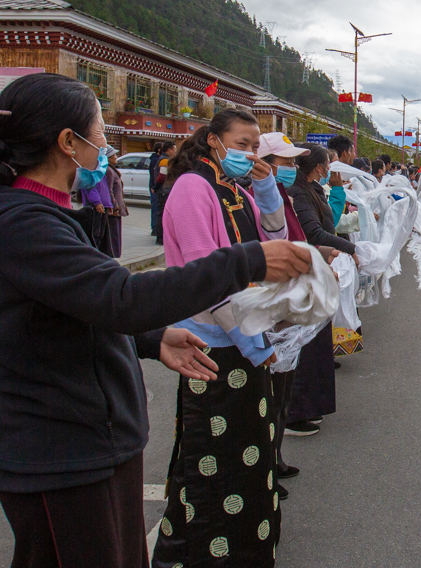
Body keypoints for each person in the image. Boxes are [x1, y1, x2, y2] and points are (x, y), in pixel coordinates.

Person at [0, 73, 312, 568]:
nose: (104, 145)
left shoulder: (55, 216)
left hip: (96, 441)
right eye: (100, 132)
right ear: (67, 142)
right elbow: (124, 295)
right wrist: (248, 262)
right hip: (61, 451)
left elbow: (84, 305)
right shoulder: (23, 223)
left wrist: (151, 338)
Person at [153, 108, 299, 567]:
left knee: (248, 454)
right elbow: (206, 277)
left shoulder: (235, 190)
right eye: (241, 144)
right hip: (213, 345)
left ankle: (238, 550)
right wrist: (257, 345)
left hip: (244, 337)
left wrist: (265, 185)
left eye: (255, 146)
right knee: (212, 460)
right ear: (213, 141)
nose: (249, 153)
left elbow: (274, 233)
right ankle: (208, 554)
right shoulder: (192, 188)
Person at [285, 145, 357, 436]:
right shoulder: (298, 192)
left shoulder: (310, 189)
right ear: (319, 166)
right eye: (330, 163)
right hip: (303, 271)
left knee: (315, 345)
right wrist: (351, 248)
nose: (333, 168)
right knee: (304, 345)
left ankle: (310, 406)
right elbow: (312, 233)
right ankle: (294, 413)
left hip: (316, 268)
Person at [254, 132, 311, 489]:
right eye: (285, 162)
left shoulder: (281, 197)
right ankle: (265, 468)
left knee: (283, 389)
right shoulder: (257, 200)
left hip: (289, 299)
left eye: (292, 162)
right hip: (271, 302)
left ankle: (275, 459)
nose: (290, 168)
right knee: (269, 393)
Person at [152, 142, 177, 244]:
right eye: (174, 149)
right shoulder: (164, 160)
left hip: (164, 190)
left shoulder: (166, 159)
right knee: (162, 214)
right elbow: (162, 176)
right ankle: (160, 237)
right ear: (169, 150)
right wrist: (156, 187)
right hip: (164, 191)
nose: (175, 151)